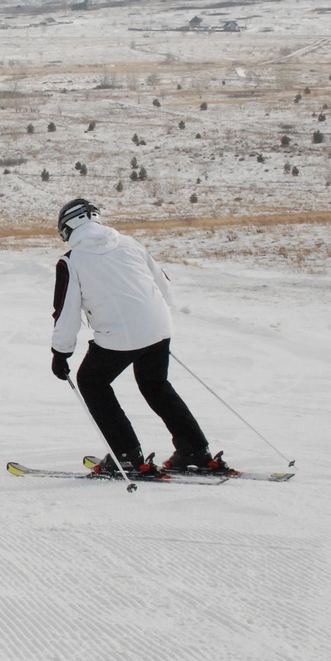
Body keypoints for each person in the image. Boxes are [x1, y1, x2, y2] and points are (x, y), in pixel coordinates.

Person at [49, 198, 228, 477]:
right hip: (159, 327)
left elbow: (66, 311)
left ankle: (127, 455)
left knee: (92, 381)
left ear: (69, 227)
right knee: (156, 385)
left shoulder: (71, 261)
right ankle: (194, 450)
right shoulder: (131, 243)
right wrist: (152, 324)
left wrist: (61, 354)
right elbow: (163, 285)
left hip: (119, 336)